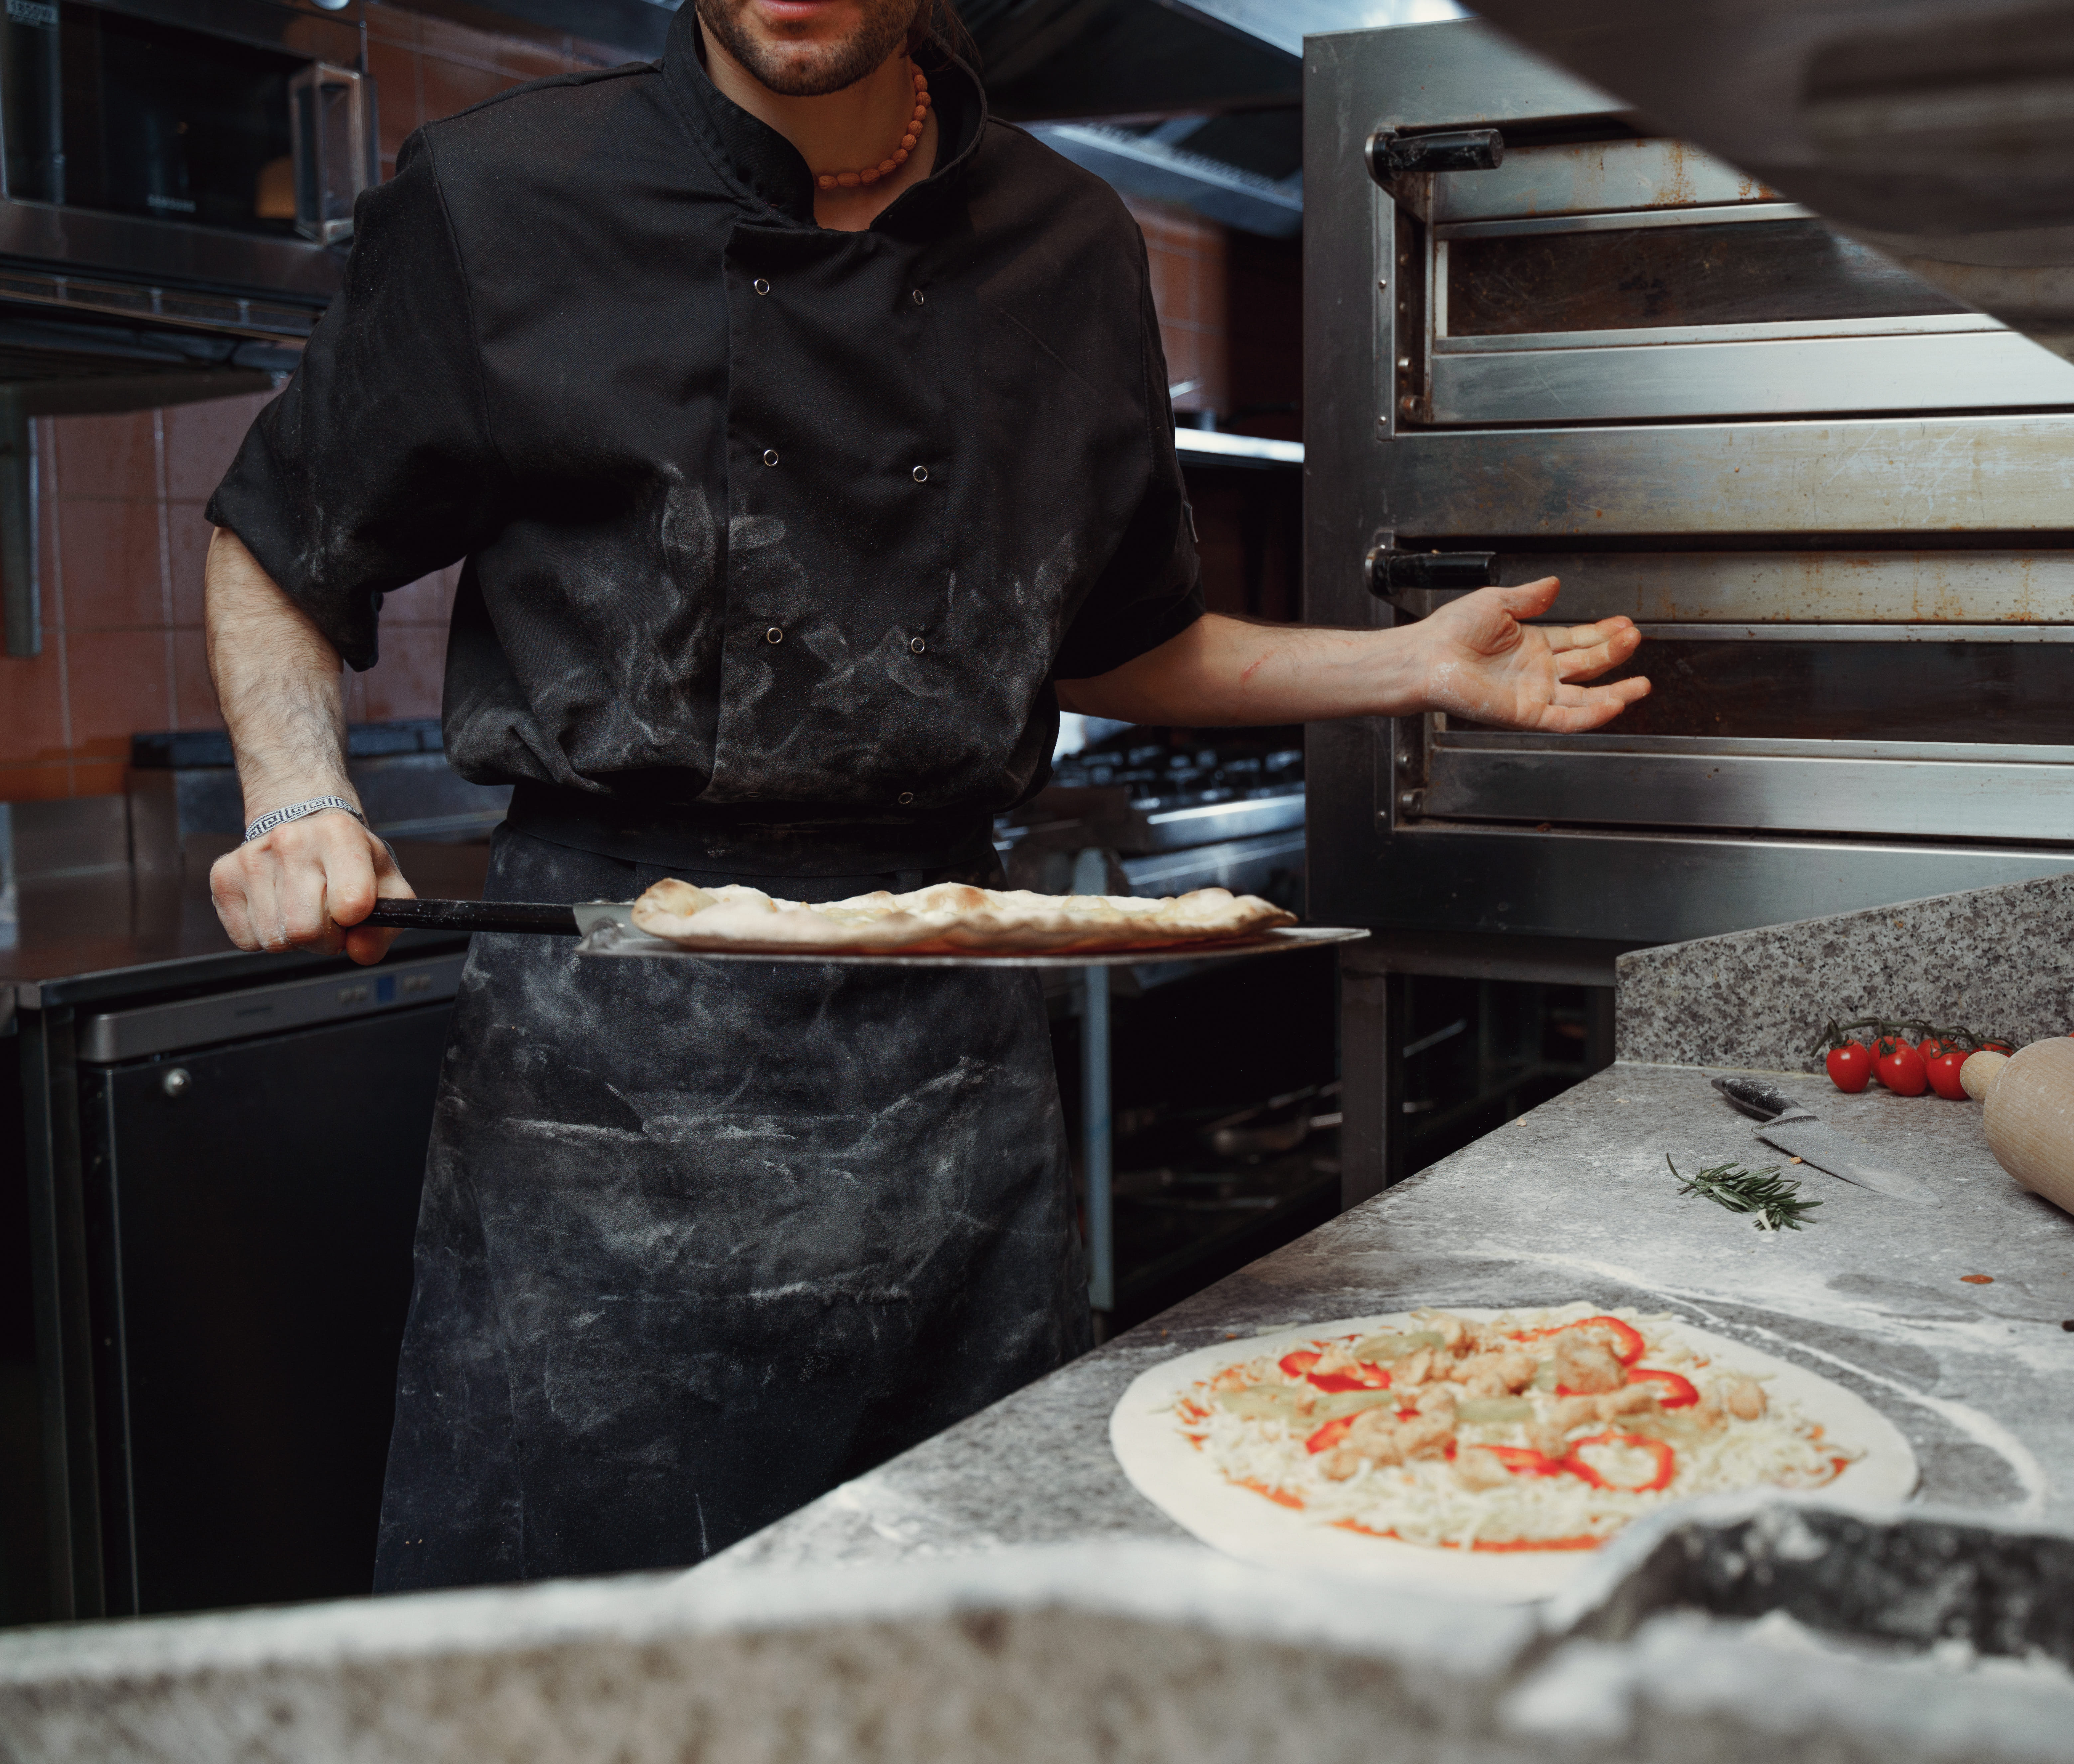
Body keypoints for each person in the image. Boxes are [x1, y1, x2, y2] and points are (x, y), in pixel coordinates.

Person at [201, 0, 1648, 1590]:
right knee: (595, 1638)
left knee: (958, 1601)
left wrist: (1412, 668)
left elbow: (1122, 646)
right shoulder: (501, 192)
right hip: (611, 1041)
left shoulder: (1066, 239)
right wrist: (292, 800)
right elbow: (281, 538)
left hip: (947, 1030)